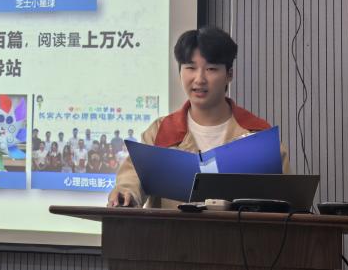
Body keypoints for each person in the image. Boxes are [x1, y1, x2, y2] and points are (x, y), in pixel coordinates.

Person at [108, 26, 290, 208]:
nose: (199, 79)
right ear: (180, 72)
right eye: (191, 68)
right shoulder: (160, 131)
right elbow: (133, 178)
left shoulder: (258, 134)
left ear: (229, 75)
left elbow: (286, 200)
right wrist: (126, 193)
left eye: (211, 69)